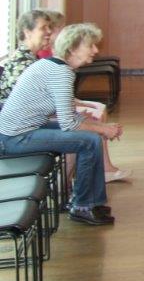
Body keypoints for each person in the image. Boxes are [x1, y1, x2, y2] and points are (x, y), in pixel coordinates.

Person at [0, 23, 122, 225]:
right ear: (72, 48)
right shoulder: (61, 72)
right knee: (89, 141)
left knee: (92, 137)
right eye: (90, 45)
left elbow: (69, 116)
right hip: (14, 138)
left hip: (23, 131)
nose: (95, 50)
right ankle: (83, 205)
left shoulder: (54, 66)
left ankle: (92, 201)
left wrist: (101, 128)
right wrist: (103, 129)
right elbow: (68, 124)